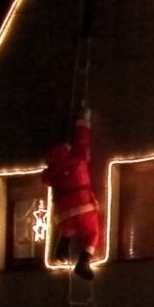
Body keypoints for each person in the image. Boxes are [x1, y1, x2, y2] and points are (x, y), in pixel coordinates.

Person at [43, 106, 102, 279]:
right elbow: (82, 140)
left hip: (63, 211)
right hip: (82, 202)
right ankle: (83, 262)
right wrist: (84, 120)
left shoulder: (52, 170)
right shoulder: (78, 158)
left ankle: (62, 247)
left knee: (69, 228)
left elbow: (45, 178)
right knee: (92, 233)